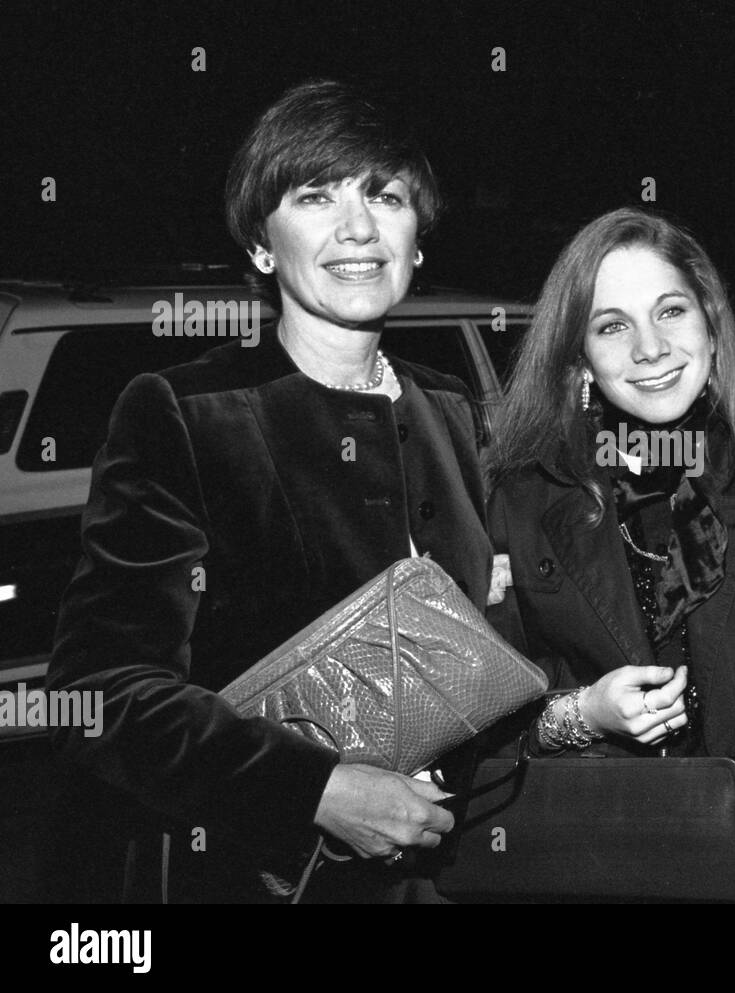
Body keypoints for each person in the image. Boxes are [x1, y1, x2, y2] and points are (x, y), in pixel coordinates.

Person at [46, 80, 488, 902]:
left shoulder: (457, 415)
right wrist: (315, 790)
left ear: (418, 239)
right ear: (260, 244)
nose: (358, 227)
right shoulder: (184, 414)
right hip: (255, 878)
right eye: (316, 196)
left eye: (384, 196)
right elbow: (98, 692)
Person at [485, 207, 735, 901]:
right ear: (579, 357)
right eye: (613, 325)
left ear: (712, 322)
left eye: (672, 311)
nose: (649, 348)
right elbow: (479, 724)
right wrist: (582, 713)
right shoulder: (523, 499)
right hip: (601, 861)